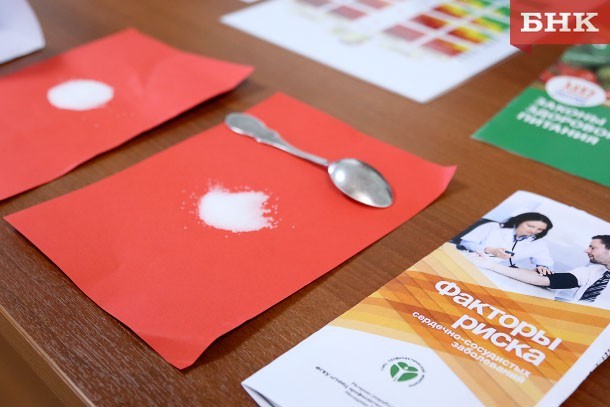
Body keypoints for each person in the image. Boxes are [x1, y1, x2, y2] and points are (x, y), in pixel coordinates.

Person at [474, 235, 610, 306]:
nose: (586, 250)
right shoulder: (593, 271)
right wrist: (493, 266)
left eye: (593, 248)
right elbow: (546, 280)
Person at [459, 212, 554, 275]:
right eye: (530, 226)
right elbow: (465, 242)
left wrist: (542, 267)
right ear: (519, 221)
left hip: (496, 272)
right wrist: (490, 250)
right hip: (469, 261)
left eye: (540, 229)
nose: (533, 231)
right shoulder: (493, 227)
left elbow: (546, 263)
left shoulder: (538, 243)